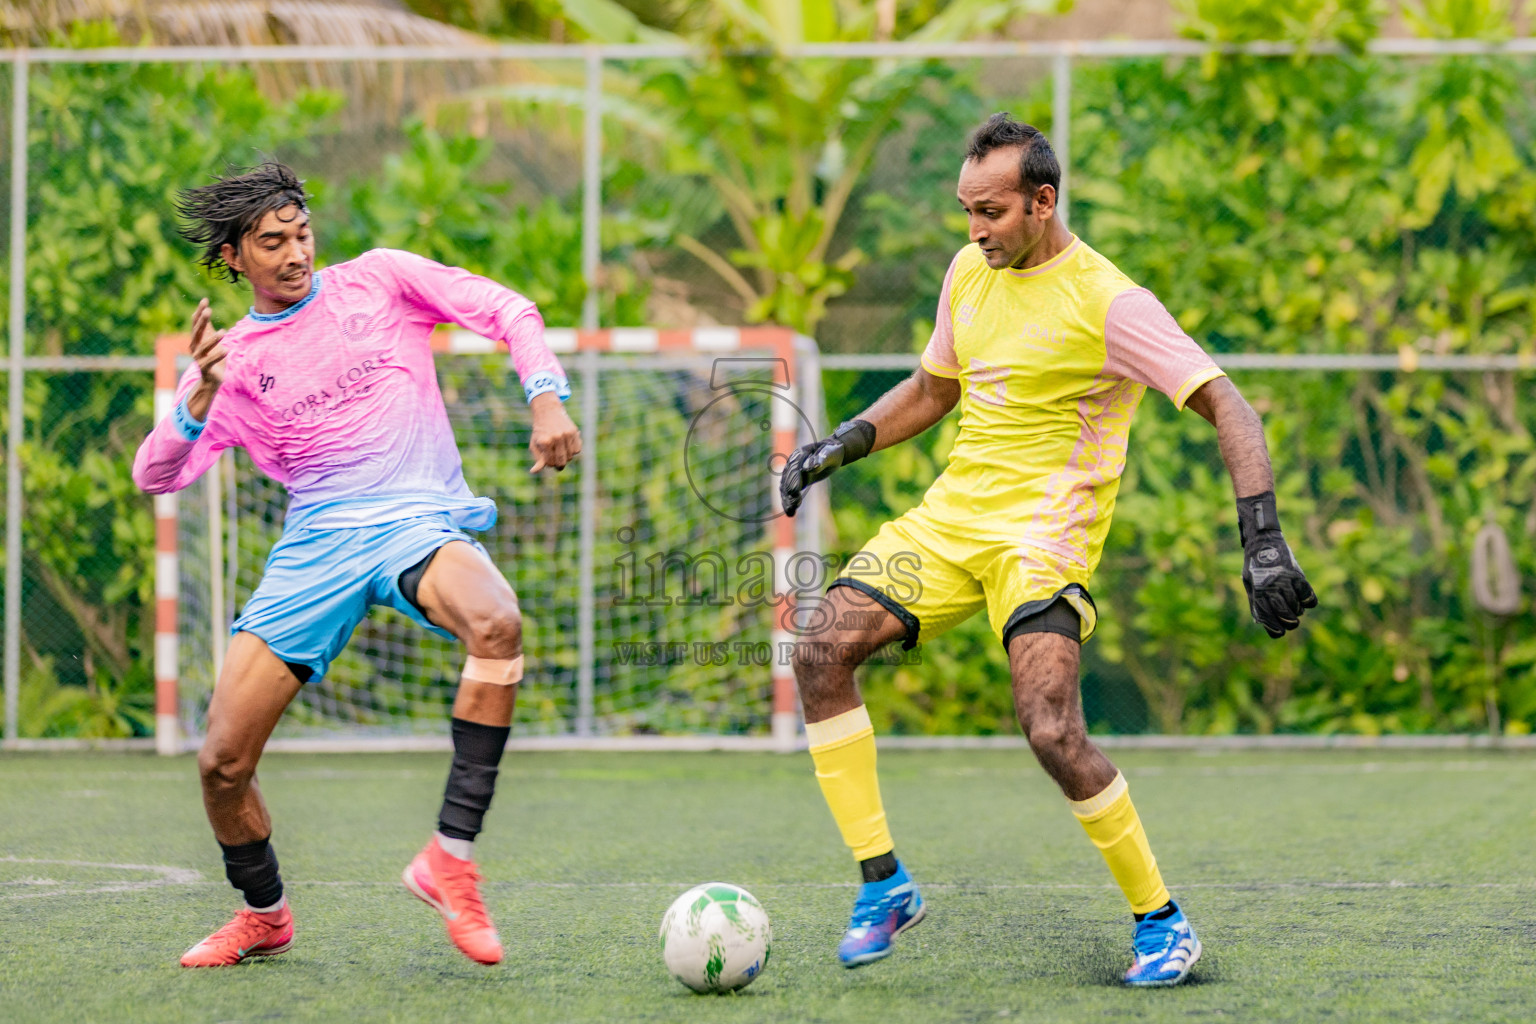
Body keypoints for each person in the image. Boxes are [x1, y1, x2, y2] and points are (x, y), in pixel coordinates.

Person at [778, 113, 1316, 987]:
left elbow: (1231, 405)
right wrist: (839, 444)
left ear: (1043, 201)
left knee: (1052, 728)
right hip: (950, 522)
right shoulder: (969, 273)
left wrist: (1262, 540)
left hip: (1043, 537)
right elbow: (933, 388)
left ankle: (1161, 920)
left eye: (990, 212)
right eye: (966, 211)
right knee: (818, 650)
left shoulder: (1110, 302)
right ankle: (884, 884)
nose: (975, 230)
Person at [133, 162, 582, 968]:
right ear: (235, 257)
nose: (296, 253)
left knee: (499, 622)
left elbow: (509, 310)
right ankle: (265, 915)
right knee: (222, 764)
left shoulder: (379, 279)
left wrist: (545, 395)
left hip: (415, 518)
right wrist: (197, 399)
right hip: (317, 546)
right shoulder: (226, 363)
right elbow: (155, 474)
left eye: (301, 233)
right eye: (272, 243)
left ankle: (450, 854)